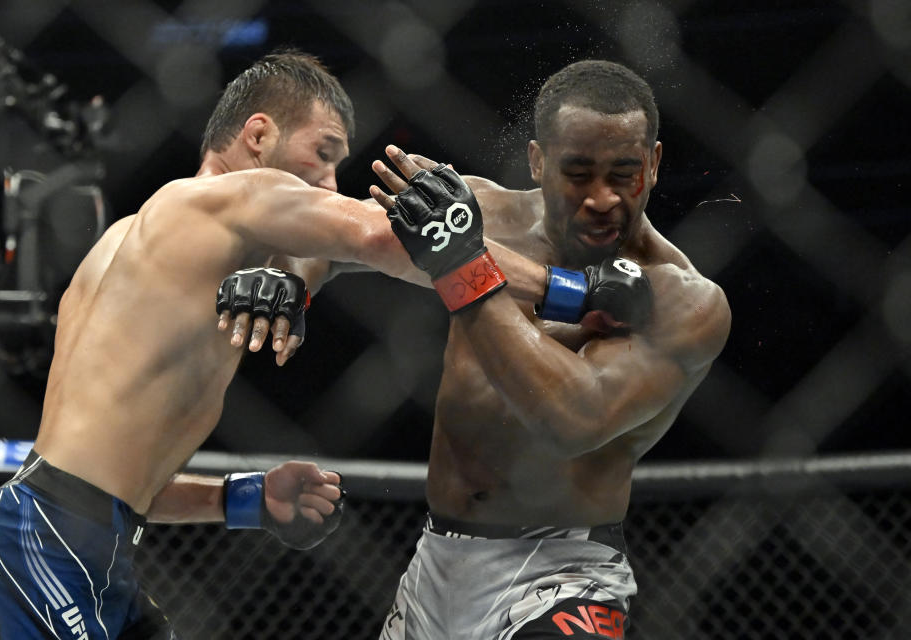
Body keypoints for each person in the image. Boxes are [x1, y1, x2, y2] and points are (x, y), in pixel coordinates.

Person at [224, 59, 731, 639]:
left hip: (563, 574)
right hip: (436, 559)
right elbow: (339, 240)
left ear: (655, 164)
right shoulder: (483, 213)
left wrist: (463, 264)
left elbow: (575, 417)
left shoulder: (685, 300)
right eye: (578, 172)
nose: (602, 198)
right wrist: (292, 281)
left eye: (624, 173)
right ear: (539, 162)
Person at [0, 49, 441, 639]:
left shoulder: (129, 243)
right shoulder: (213, 199)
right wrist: (551, 285)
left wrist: (250, 501)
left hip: (79, 541)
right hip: (40, 547)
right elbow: (379, 236)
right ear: (258, 135)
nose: (331, 183)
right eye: (323, 153)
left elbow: (130, 484)